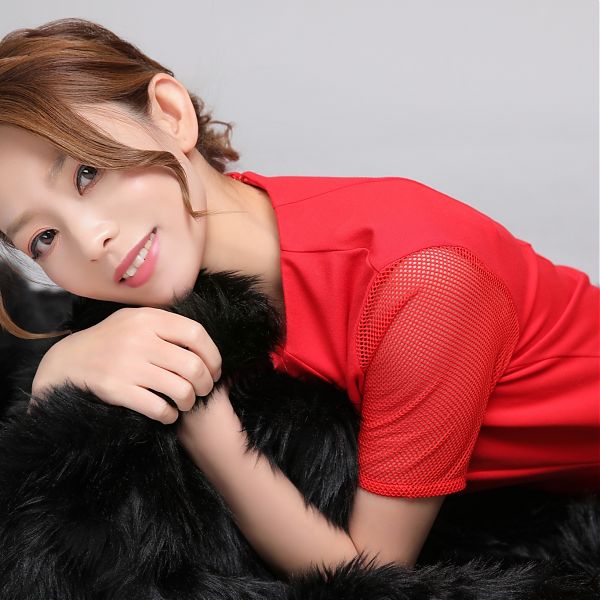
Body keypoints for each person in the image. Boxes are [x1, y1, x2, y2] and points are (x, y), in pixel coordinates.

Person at [0, 18, 597, 578]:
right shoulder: (186, 250)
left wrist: (209, 429)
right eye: (44, 237)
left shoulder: (424, 284)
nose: (92, 241)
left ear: (170, 114)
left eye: (88, 172)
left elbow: (373, 573)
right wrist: (60, 367)